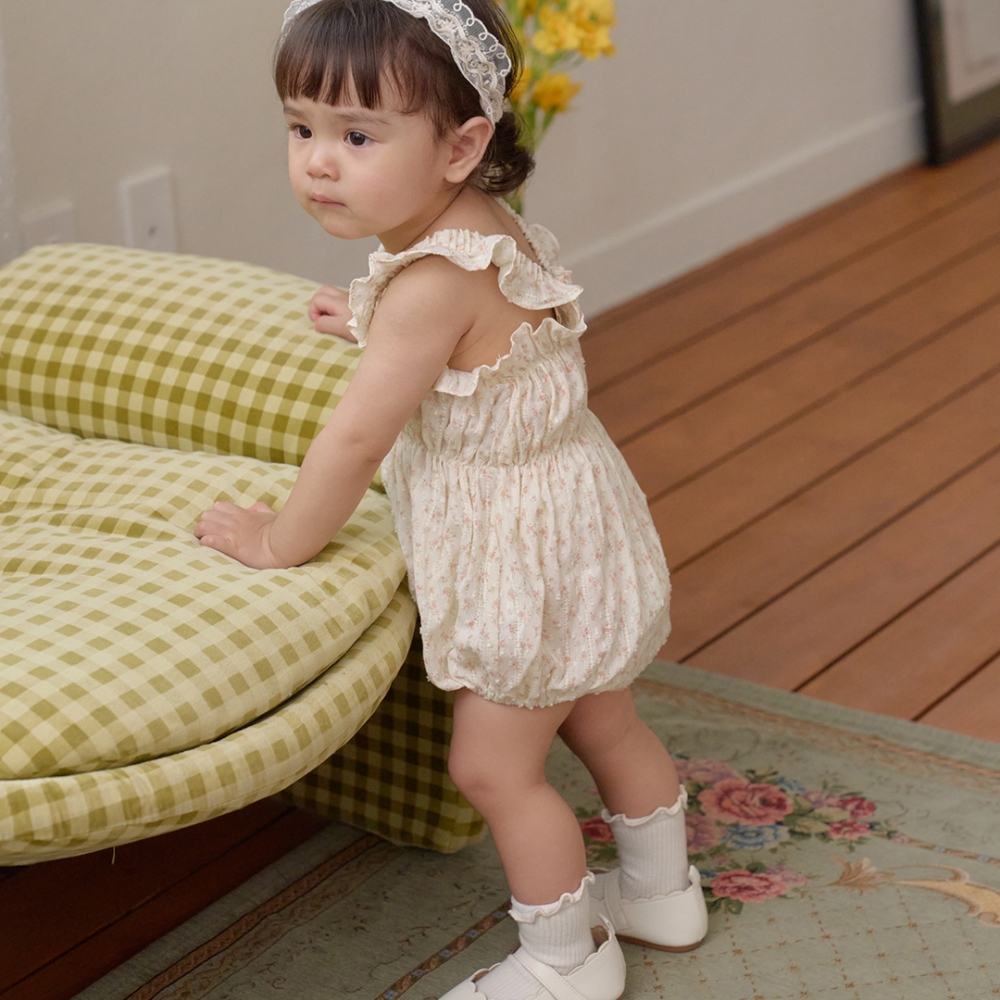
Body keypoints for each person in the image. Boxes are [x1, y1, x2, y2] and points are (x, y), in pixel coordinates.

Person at [196, 1, 709, 996]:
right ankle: (662, 891)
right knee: (601, 718)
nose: (319, 162)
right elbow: (482, 343)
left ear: (462, 146)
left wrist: (278, 540)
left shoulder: (428, 285)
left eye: (357, 136)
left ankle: (567, 962)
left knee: (492, 770)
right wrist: (371, 320)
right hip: (578, 511)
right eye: (301, 128)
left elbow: (355, 439)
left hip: (519, 546)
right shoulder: (482, 230)